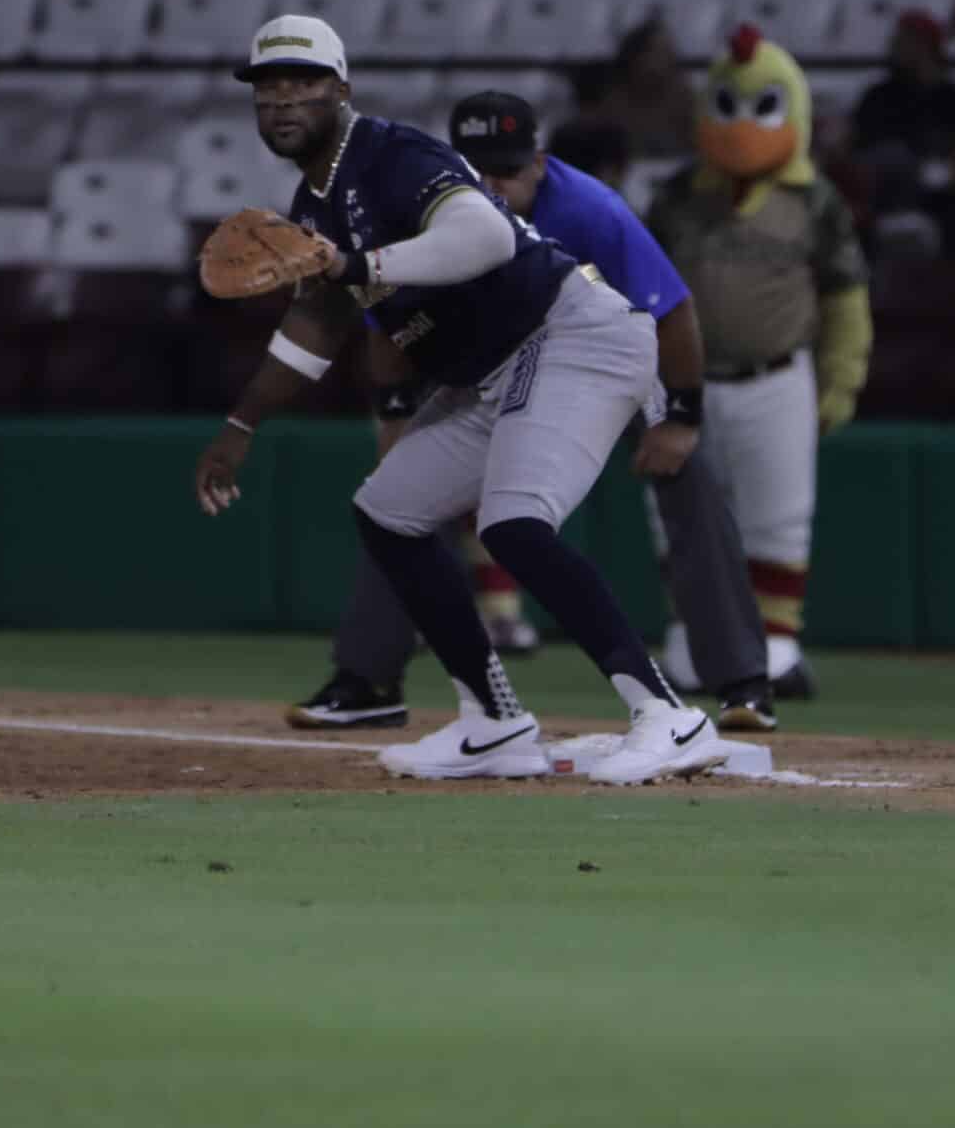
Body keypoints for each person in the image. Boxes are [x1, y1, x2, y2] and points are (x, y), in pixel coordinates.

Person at [193, 16, 728, 785]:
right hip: (487, 374)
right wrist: (241, 423)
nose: (283, 101)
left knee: (514, 524)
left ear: (340, 91)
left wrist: (356, 261)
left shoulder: (391, 155)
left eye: (303, 84)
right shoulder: (312, 205)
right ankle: (494, 721)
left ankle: (668, 715)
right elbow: (317, 322)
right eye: (268, 88)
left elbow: (487, 238)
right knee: (388, 511)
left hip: (573, 334)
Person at [293, 91, 779, 738]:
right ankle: (368, 675)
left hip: (612, 346)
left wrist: (682, 415)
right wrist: (394, 414)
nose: (492, 184)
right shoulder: (431, 210)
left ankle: (743, 680)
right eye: (477, 171)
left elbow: (671, 308)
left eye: (507, 171)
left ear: (539, 165)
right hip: (499, 367)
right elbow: (388, 323)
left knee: (687, 481)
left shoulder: (587, 207)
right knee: (398, 497)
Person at [648, 26, 873, 702]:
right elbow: (641, 285)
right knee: (679, 514)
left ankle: (776, 640)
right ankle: (694, 633)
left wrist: (842, 378)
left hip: (776, 376)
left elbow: (846, 296)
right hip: (684, 382)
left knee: (778, 516)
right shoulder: (679, 195)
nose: (742, 126)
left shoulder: (816, 201)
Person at [850, 10, 955, 255]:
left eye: (902, 41)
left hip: (941, 189)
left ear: (923, 46)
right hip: (886, 192)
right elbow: (857, 145)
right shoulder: (878, 96)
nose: (892, 47)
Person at [587, 17, 699, 160]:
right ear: (636, 59)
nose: (667, 60)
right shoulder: (612, 104)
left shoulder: (685, 99)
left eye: (669, 53)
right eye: (658, 53)